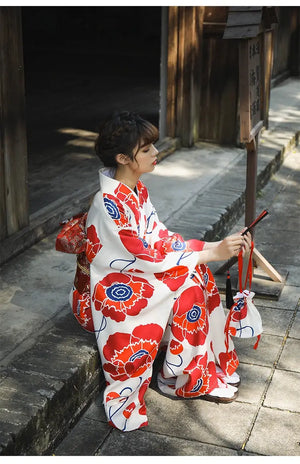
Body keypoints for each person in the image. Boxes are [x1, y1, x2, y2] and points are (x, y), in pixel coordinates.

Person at [84, 111, 251, 432]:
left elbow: (159, 236)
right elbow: (142, 256)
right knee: (188, 284)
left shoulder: (135, 190)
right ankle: (177, 379)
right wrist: (208, 253)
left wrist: (207, 248)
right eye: (146, 150)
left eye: (152, 147)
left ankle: (190, 369)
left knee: (196, 274)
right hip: (118, 285)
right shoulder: (108, 202)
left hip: (138, 271)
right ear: (123, 158)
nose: (155, 153)